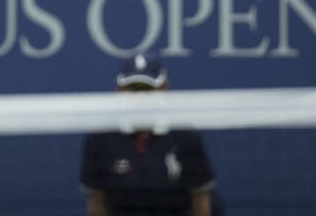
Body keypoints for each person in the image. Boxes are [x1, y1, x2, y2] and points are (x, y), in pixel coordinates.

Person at [80, 52, 217, 216]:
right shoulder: (99, 139)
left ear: (164, 87)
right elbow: (96, 204)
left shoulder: (186, 138)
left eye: (148, 88)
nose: (140, 96)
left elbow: (200, 201)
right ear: (119, 89)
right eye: (133, 88)